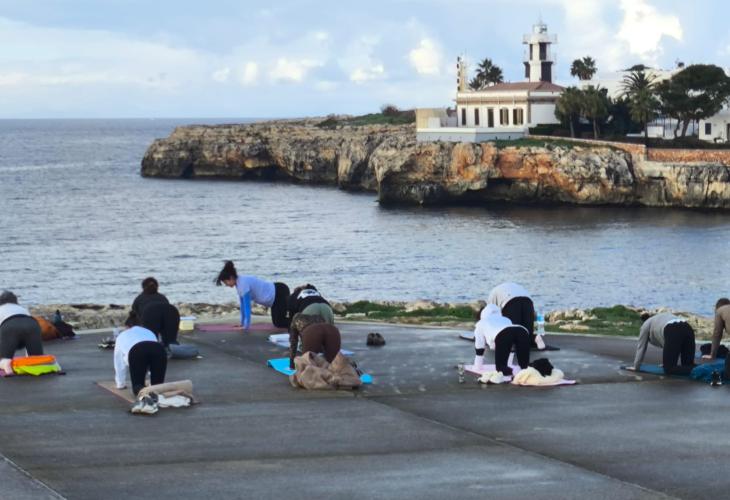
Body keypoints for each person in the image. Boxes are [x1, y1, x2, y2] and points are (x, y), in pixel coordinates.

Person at [215, 261, 290, 330]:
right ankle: (294, 319)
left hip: (279, 293)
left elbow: (247, 307)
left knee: (279, 322)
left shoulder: (243, 284)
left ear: (231, 278)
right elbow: (242, 306)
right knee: (277, 322)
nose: (226, 285)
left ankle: (296, 322)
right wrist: (242, 324)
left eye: (226, 282)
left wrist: (245, 327)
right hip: (275, 297)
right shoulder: (239, 284)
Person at [114, 311, 167, 396]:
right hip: (159, 350)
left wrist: (120, 384)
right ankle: (155, 391)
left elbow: (119, 362)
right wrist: (153, 380)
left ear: (127, 326)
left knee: (138, 388)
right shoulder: (149, 332)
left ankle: (143, 392)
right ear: (141, 325)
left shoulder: (122, 335)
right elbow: (152, 354)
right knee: (157, 388)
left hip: (137, 351)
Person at [628, 312, 695, 375]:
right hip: (687, 327)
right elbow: (670, 346)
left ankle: (698, 371)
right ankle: (700, 368)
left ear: (644, 321)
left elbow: (641, 347)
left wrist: (636, 366)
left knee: (669, 369)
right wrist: (667, 361)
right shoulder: (659, 318)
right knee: (687, 364)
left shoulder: (645, 325)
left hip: (673, 329)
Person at [473, 304, 530, 375]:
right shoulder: (506, 319)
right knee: (525, 366)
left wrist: (477, 366)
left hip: (502, 334)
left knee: (501, 369)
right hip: (522, 330)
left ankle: (506, 372)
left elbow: (479, 346)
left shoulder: (481, 323)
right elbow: (510, 347)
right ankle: (528, 371)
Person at [487, 282, 544, 349]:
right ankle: (536, 337)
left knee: (513, 331)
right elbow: (535, 314)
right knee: (528, 331)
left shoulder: (492, 295)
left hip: (510, 302)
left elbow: (490, 318)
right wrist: (539, 330)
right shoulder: (512, 287)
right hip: (527, 300)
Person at [0, 291, 43, 374]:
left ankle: (6, 366)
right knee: (36, 359)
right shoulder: (22, 309)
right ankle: (34, 363)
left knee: (4, 358)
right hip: (32, 324)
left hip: (9, 325)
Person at [132, 277, 180, 347]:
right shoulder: (162, 297)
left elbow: (135, 314)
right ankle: (172, 350)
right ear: (157, 287)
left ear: (143, 287)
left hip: (150, 313)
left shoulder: (139, 298)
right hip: (172, 312)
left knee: (152, 342)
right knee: (171, 342)